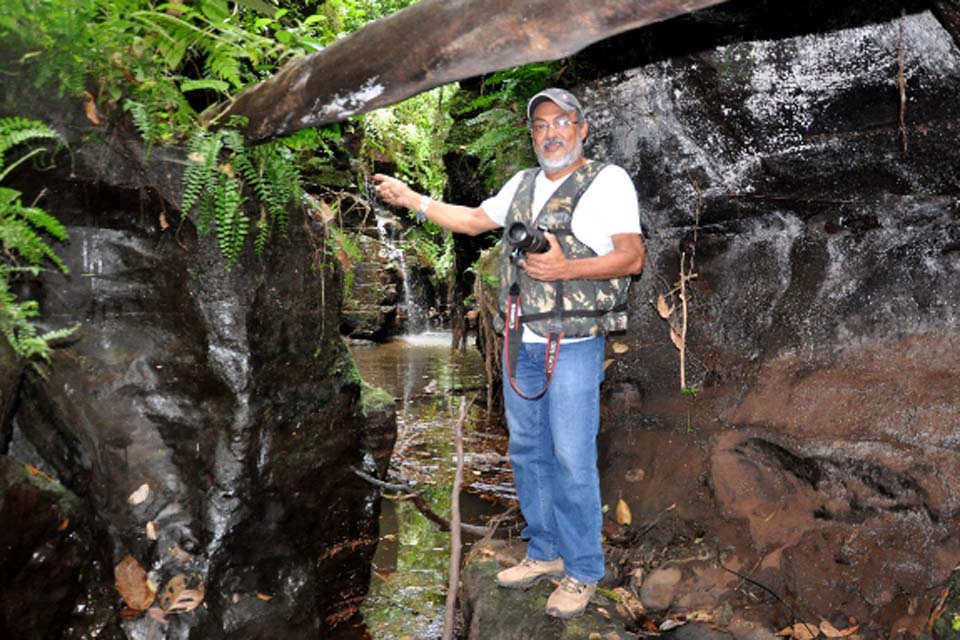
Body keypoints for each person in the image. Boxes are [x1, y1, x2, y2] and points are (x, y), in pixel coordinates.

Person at [373, 87, 645, 619]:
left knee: (571, 456)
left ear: (582, 128)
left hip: (572, 343)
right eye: (541, 125)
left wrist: (567, 268)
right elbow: (475, 221)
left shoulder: (607, 181)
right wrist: (414, 200)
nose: (551, 132)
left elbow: (631, 258)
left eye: (562, 122)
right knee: (527, 450)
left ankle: (584, 569)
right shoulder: (523, 184)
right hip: (521, 339)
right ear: (532, 135)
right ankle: (543, 551)